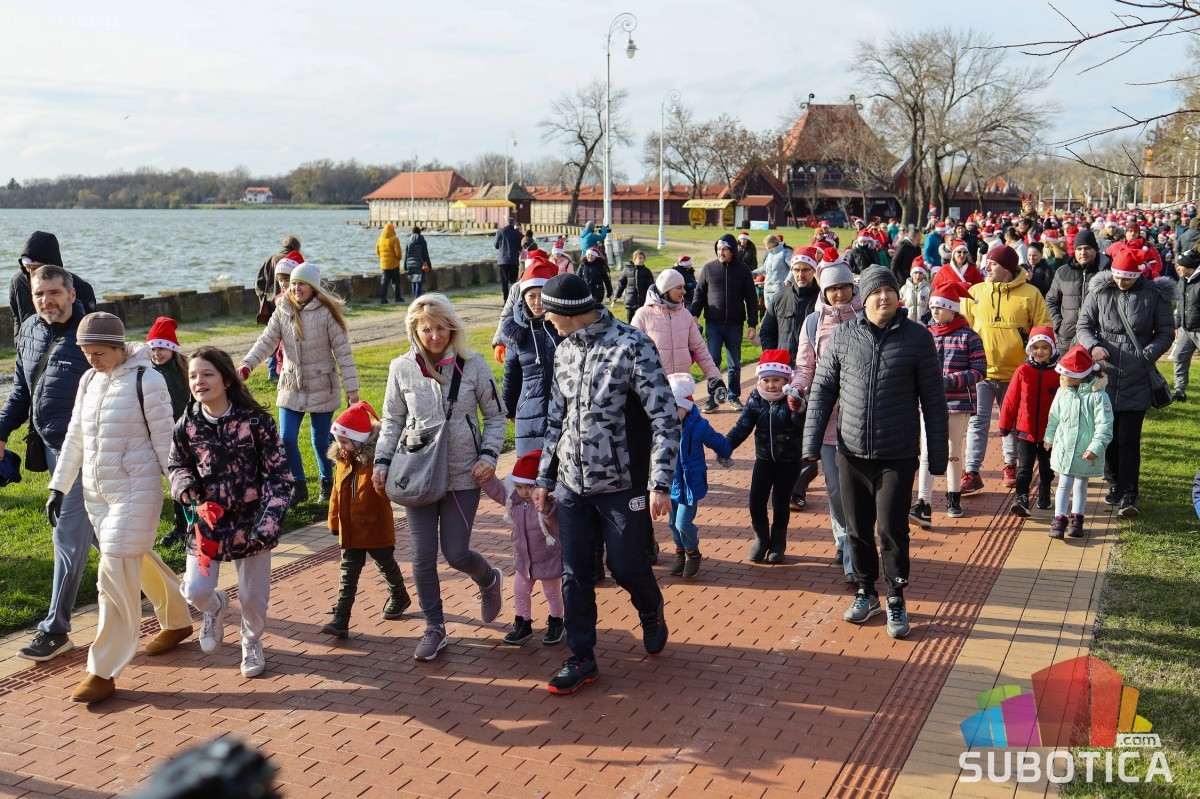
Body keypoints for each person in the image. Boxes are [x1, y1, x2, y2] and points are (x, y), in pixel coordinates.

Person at [532, 273, 678, 695]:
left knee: (626, 566)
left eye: (550, 312)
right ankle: (582, 656)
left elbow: (665, 419)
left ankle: (650, 607)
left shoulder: (632, 346)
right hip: (571, 486)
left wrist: (660, 482)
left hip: (623, 486)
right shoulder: (563, 349)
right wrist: (545, 477)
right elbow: (555, 420)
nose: (546, 319)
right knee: (575, 573)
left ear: (572, 311)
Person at [45, 312, 193, 704]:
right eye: (86, 353)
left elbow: (165, 442)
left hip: (136, 492)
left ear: (118, 347)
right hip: (97, 494)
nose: (92, 360)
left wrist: (180, 487)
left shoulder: (148, 380)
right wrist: (58, 486)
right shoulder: (89, 380)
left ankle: (102, 670)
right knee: (133, 556)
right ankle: (178, 619)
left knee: (112, 574)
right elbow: (75, 435)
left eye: (99, 352)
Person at [803, 267, 949, 639]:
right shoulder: (842, 336)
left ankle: (896, 596)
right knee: (857, 529)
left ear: (898, 296)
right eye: (876, 292)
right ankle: (866, 592)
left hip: (897, 453)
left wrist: (937, 456)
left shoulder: (918, 338)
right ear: (864, 298)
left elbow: (934, 401)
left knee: (891, 529)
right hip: (851, 453)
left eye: (890, 291)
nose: (884, 297)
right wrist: (810, 445)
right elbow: (822, 391)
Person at [372, 293, 508, 662]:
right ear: (414, 331)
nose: (435, 335)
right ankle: (435, 628)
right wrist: (382, 463)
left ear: (452, 327)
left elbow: (496, 417)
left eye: (441, 327)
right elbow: (392, 421)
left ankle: (488, 578)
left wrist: (488, 456)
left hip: (464, 474)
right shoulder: (401, 368)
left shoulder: (474, 365)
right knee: (421, 557)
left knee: (456, 553)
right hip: (418, 473)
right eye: (426, 329)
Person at [169, 346, 293, 679]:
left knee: (253, 599)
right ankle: (215, 607)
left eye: (207, 374)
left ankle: (251, 641)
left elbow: (280, 477)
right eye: (193, 376)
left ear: (226, 380)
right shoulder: (187, 424)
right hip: (208, 523)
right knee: (195, 590)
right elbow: (177, 464)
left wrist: (267, 524)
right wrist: (184, 486)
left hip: (252, 524)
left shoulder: (256, 422)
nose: (199, 381)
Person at [0, 266, 96, 662]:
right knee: (106, 535)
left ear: (72, 294)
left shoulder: (91, 334)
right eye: (40, 294)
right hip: (52, 448)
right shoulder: (29, 330)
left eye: (54, 292)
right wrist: (2, 431)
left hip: (89, 451)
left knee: (67, 534)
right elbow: (22, 390)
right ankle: (172, 598)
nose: (46, 301)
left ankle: (55, 630)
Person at [240, 262, 360, 505]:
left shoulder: (326, 314)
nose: (296, 288)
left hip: (321, 384)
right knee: (286, 438)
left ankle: (327, 482)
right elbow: (266, 341)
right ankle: (298, 485)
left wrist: (352, 390)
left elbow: (343, 353)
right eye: (293, 283)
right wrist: (247, 364)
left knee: (320, 440)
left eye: (301, 283)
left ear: (313, 287)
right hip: (291, 385)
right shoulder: (282, 310)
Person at [1076, 244, 1176, 519]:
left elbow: (1166, 331)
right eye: (1118, 277)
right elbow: (1084, 326)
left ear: (1138, 275)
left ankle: (1130, 492)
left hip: (1137, 375)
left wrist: (1148, 355)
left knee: (1129, 438)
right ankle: (1114, 482)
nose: (1121, 282)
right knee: (1107, 434)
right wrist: (1093, 345)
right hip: (1105, 374)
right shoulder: (1099, 291)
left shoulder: (1154, 295)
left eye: (1127, 278)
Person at [789, 258, 861, 578]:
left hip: (861, 417)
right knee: (834, 487)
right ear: (824, 291)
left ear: (853, 287)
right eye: (832, 289)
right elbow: (805, 367)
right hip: (827, 417)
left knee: (858, 488)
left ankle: (856, 547)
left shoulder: (866, 317)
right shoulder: (812, 323)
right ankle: (844, 540)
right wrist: (797, 388)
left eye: (844, 287)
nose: (839, 294)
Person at [961, 244, 1052, 495]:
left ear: (1008, 268)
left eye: (993, 264)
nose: (987, 267)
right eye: (988, 263)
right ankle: (972, 471)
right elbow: (964, 327)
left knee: (1011, 423)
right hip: (981, 372)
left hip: (1017, 373)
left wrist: (1033, 356)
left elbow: (1043, 328)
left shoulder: (1031, 293)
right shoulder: (975, 292)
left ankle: (1010, 465)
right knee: (977, 423)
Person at [320, 401, 411, 639]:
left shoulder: (376, 462)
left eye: (345, 442)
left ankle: (399, 594)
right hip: (350, 529)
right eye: (338, 442)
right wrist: (333, 522)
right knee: (348, 573)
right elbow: (336, 495)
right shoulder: (342, 461)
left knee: (386, 564)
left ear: (360, 440)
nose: (341, 447)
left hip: (375, 525)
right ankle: (341, 619)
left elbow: (386, 493)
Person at [910, 282, 985, 528]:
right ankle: (923, 501)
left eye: (940, 308)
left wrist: (949, 381)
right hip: (928, 402)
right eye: (933, 307)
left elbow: (979, 371)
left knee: (953, 449)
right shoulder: (924, 334)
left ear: (953, 309)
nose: (935, 312)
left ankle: (954, 497)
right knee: (927, 451)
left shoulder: (969, 336)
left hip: (959, 403)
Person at [725, 350, 809, 564]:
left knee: (780, 502)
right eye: (766, 380)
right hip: (764, 459)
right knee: (756, 500)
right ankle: (761, 539)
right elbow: (743, 426)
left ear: (786, 380)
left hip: (789, 461)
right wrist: (725, 446)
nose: (771, 385)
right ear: (759, 380)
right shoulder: (755, 398)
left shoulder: (792, 398)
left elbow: (800, 425)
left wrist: (799, 408)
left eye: (776, 380)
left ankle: (778, 543)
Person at [477, 449, 564, 647]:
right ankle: (523, 624)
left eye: (529, 487)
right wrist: (485, 478)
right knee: (520, 592)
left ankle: (557, 622)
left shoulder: (549, 503)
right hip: (524, 561)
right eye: (518, 487)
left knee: (552, 593)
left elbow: (557, 523)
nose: (524, 492)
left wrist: (547, 510)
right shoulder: (514, 501)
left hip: (548, 559)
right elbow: (497, 490)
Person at [665, 373, 733, 579]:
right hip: (670, 484)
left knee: (682, 523)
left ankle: (693, 553)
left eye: (676, 408)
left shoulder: (699, 426)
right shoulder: (663, 428)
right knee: (672, 523)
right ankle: (680, 553)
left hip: (690, 484)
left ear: (686, 406)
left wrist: (725, 452)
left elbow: (716, 440)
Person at [1044, 345, 1114, 539]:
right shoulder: (1063, 393)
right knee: (1064, 481)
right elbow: (1054, 417)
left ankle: (1077, 517)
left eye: (1064, 374)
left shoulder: (1098, 397)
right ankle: (1059, 517)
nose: (1060, 378)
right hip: (1065, 447)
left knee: (1081, 484)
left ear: (1078, 376)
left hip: (1084, 450)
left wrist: (1095, 448)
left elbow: (1105, 425)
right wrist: (1049, 437)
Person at [631, 269, 726, 407]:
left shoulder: (685, 315)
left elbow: (700, 349)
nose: (684, 291)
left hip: (682, 389)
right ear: (666, 289)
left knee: (686, 421)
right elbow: (630, 352)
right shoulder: (643, 314)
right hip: (654, 389)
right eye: (679, 287)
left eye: (684, 287)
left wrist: (715, 379)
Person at [500, 262, 564, 456]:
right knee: (529, 469)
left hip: (564, 409)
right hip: (529, 413)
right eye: (531, 296)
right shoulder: (516, 331)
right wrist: (510, 409)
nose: (537, 302)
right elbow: (511, 374)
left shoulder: (564, 326)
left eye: (542, 295)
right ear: (523, 297)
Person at [690, 234, 759, 412]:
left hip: (735, 325)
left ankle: (733, 396)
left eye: (725, 249)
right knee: (712, 362)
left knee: (734, 364)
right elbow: (699, 294)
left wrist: (752, 324)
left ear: (733, 251)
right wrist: (694, 314)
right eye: (719, 249)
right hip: (713, 324)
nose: (721, 252)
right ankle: (712, 398)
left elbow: (751, 298)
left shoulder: (743, 270)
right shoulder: (708, 268)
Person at [998, 326, 1060, 517]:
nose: (1039, 351)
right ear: (1029, 349)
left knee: (1046, 467)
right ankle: (1021, 498)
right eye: (1035, 347)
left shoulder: (1058, 372)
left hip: (1049, 432)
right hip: (1025, 430)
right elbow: (1010, 400)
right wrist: (1004, 425)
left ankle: (1045, 489)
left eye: (1044, 347)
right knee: (1024, 467)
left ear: (1052, 349)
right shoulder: (1023, 371)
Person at [146, 316, 191, 546]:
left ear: (172, 348)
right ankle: (181, 526)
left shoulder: (185, 371)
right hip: (162, 435)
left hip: (186, 431)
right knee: (174, 480)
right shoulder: (147, 373)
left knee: (187, 479)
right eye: (153, 348)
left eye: (162, 348)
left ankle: (191, 524)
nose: (157, 353)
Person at [9, 231, 96, 340]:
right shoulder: (18, 282)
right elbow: (17, 318)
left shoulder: (82, 288)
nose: (31, 273)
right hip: (30, 344)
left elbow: (91, 327)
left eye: (36, 268)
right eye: (27, 268)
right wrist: (20, 343)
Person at [1046, 227, 1110, 356]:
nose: (1083, 252)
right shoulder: (1063, 272)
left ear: (1095, 249)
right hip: (1066, 339)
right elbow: (1051, 300)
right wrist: (1059, 325)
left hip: (1097, 340)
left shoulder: (1107, 272)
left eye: (1087, 248)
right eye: (1079, 249)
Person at [758, 247, 821, 362]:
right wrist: (774, 357)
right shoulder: (779, 298)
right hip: (783, 365)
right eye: (796, 270)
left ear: (813, 270)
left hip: (812, 366)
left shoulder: (822, 300)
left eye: (805, 270)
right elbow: (767, 331)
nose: (800, 274)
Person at [1172, 249, 1200, 401]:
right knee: (1179, 357)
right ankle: (1179, 392)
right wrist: (1177, 325)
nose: (1177, 268)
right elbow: (1180, 303)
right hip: (1185, 329)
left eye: (1180, 265)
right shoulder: (1182, 279)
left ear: (1189, 267)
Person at [254, 234, 301, 325]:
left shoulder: (272, 259)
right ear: (297, 247)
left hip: (272, 303)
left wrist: (264, 297)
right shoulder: (295, 261)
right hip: (291, 302)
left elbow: (258, 283)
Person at [615, 249, 654, 320]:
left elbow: (651, 285)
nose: (642, 260)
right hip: (630, 297)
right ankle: (630, 326)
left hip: (642, 297)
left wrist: (652, 296)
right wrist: (617, 294)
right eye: (640, 258)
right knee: (630, 316)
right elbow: (621, 283)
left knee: (642, 316)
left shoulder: (647, 271)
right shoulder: (627, 270)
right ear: (634, 260)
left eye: (643, 258)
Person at [755, 234, 791, 308]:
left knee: (779, 311)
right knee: (769, 312)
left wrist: (789, 280)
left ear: (770, 244)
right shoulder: (769, 255)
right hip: (767, 289)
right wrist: (752, 273)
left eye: (765, 244)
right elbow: (764, 268)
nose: (765, 247)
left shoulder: (785, 253)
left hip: (780, 288)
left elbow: (793, 268)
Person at [494, 219, 523, 299]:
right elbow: (519, 247)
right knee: (513, 281)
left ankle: (505, 299)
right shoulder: (517, 234)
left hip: (502, 260)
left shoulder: (500, 232)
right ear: (513, 224)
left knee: (504, 281)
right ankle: (514, 299)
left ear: (506, 223)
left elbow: (496, 245)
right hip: (514, 260)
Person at [376, 223, 405, 304]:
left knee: (384, 282)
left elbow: (377, 251)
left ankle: (383, 298)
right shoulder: (395, 239)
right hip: (394, 264)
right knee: (396, 282)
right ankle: (398, 297)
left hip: (384, 265)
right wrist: (399, 258)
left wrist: (382, 258)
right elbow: (398, 253)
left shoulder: (380, 239)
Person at [403, 225, 432, 299]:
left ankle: (415, 297)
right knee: (418, 280)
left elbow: (406, 254)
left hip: (410, 263)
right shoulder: (422, 241)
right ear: (419, 232)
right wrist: (429, 265)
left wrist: (405, 265)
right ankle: (417, 297)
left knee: (413, 280)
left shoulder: (408, 241)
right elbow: (425, 254)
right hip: (419, 264)